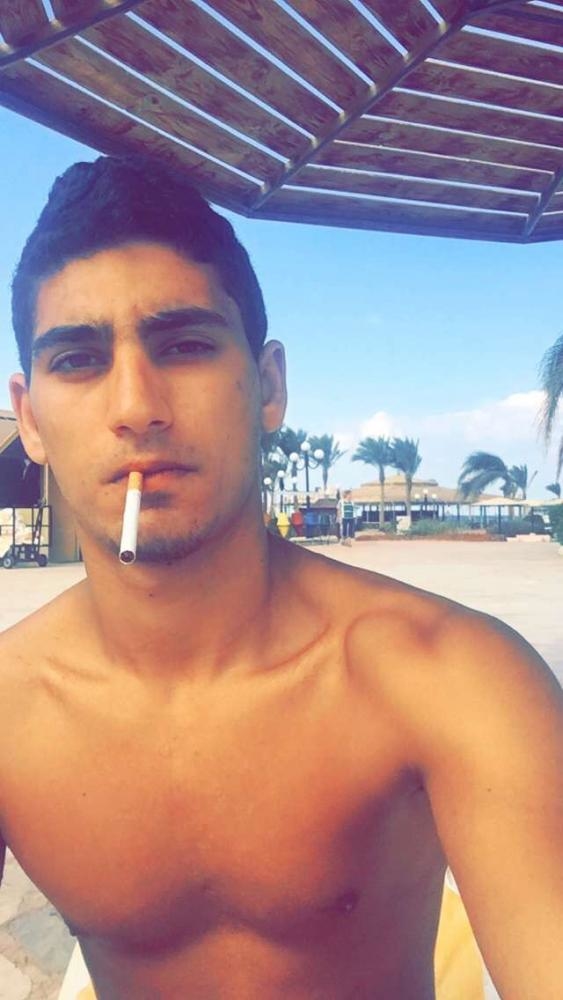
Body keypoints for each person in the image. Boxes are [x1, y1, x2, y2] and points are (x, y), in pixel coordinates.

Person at [1, 155, 562, 1000]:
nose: (136, 405)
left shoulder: (450, 676)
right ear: (32, 420)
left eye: (184, 346)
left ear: (267, 388)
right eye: (79, 360)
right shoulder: (11, 711)